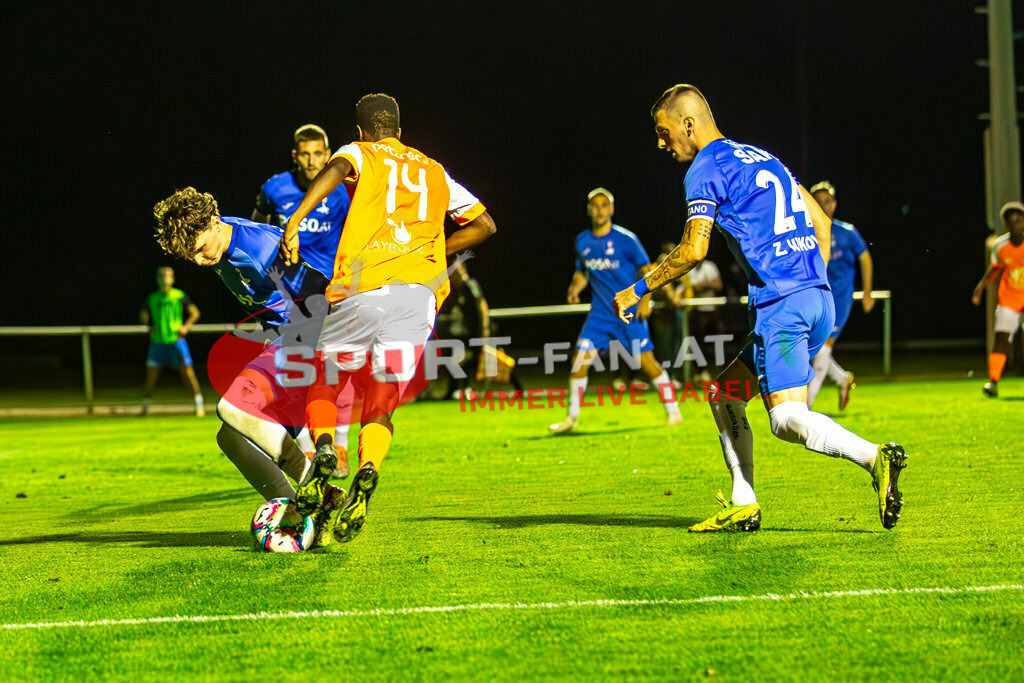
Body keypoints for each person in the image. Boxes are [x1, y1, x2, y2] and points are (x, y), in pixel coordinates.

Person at [613, 84, 906, 532]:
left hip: (783, 304)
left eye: (664, 131)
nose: (661, 142)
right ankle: (743, 500)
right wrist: (811, 282)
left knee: (787, 419)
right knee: (724, 394)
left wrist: (638, 289)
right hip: (816, 296)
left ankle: (874, 458)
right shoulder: (763, 157)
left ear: (688, 125)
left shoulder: (705, 168)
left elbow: (694, 250)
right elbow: (822, 224)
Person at [280, 92, 497, 545]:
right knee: (382, 399)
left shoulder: (361, 152)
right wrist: (433, 252)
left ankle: (322, 448)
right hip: (418, 299)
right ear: (399, 128)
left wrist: (296, 219)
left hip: (367, 287)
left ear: (361, 130)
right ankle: (369, 468)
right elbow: (484, 225)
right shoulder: (434, 170)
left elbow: (337, 169)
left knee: (325, 377)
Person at [152, 187, 351, 502]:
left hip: (307, 338)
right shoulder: (219, 235)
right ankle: (295, 510)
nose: (200, 261)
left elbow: (322, 296)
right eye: (190, 255)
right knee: (231, 437)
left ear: (215, 223)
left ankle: (316, 491)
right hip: (285, 339)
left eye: (201, 249)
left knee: (231, 407)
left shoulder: (261, 249)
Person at [549, 188, 683, 434]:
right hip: (600, 315)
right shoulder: (582, 241)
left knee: (647, 363)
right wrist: (574, 288)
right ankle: (571, 418)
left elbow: (649, 271)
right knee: (579, 362)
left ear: (611, 209)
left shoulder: (627, 239)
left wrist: (645, 300)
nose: (599, 210)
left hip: (628, 312)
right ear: (589, 209)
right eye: (594, 205)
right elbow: (583, 272)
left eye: (604, 205)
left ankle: (673, 412)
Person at [806, 181, 873, 410]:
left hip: (839, 299)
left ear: (834, 204)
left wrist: (866, 293)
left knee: (822, 351)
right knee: (814, 347)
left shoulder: (846, 232)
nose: (823, 206)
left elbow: (865, 258)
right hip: (815, 298)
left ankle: (805, 408)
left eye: (827, 201)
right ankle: (842, 379)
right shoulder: (806, 232)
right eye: (818, 201)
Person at [252, 124, 351, 278]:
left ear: (327, 155)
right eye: (305, 154)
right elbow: (257, 229)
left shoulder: (342, 191)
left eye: (317, 154)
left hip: (327, 280)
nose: (311, 162)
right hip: (283, 278)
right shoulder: (274, 187)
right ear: (295, 156)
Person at [972, 201, 1024, 397]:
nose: (1015, 224)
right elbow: (995, 269)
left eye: (1019, 220)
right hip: (1009, 301)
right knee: (1001, 339)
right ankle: (993, 382)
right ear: (1006, 225)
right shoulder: (1000, 245)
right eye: (1011, 221)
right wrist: (980, 287)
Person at [140, 266, 204, 416]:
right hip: (157, 341)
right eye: (162, 276)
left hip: (177, 340)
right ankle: (145, 405)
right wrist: (148, 325)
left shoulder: (179, 295)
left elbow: (195, 313)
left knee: (188, 374)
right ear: (157, 279)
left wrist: (186, 327)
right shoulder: (152, 298)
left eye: (168, 276)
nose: (165, 279)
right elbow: (143, 313)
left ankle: (198, 403)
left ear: (172, 279)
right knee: (151, 376)